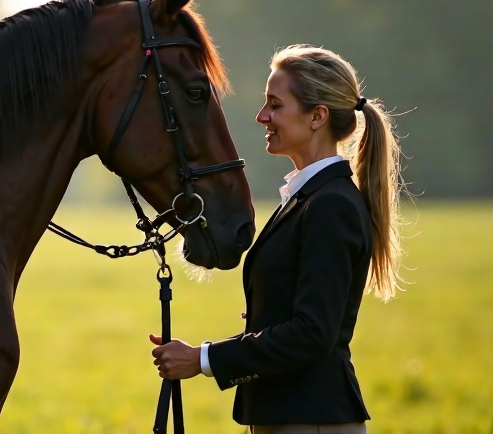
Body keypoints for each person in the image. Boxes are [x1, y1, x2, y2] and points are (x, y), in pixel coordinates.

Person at [149, 44, 407, 434]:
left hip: (311, 421)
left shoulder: (330, 206)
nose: (261, 116)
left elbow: (312, 333)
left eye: (275, 104)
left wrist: (202, 359)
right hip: (290, 417)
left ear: (317, 116)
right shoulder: (306, 200)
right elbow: (288, 321)